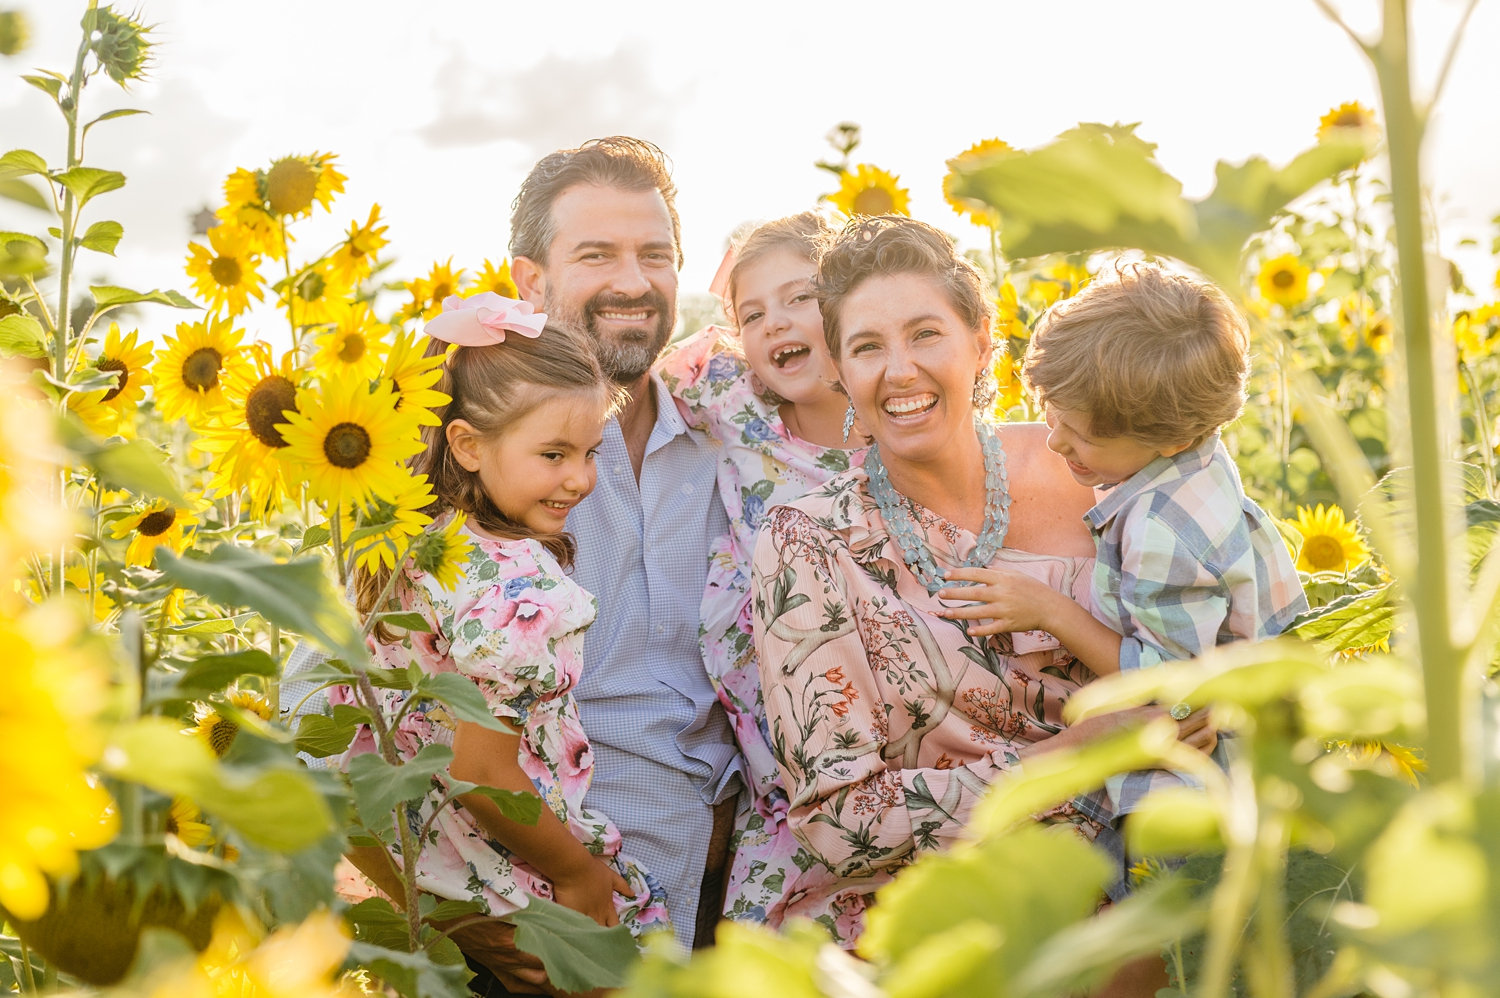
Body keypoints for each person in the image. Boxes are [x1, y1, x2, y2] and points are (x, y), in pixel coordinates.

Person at [749, 217, 1216, 968]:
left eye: (925, 333)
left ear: (981, 340)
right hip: (932, 918)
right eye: (867, 347)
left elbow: (1222, 625)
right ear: (838, 369)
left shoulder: (1101, 461)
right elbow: (838, 824)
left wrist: (1199, 713)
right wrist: (1080, 752)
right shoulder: (807, 542)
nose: (898, 370)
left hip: (1149, 875)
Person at [335, 137, 740, 995]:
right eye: (597, 254)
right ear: (529, 281)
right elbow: (334, 701)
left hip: (719, 879)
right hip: (534, 901)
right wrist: (457, 917)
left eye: (655, 255)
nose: (633, 280)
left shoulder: (730, 430)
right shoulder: (443, 481)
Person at [333, 295, 670, 940]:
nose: (581, 479)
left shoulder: (405, 543)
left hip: (427, 868)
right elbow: (482, 770)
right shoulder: (519, 584)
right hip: (523, 874)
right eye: (553, 455)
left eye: (592, 452)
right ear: (465, 445)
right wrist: (577, 874)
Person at [934, 261, 1306, 813]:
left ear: (1169, 437)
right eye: (1049, 414)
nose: (1054, 443)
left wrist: (1050, 610)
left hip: (1194, 793)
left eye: (1081, 437)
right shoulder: (1195, 461)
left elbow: (1169, 688)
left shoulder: (1160, 527)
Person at [656, 212, 865, 923]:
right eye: (754, 312)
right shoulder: (733, 403)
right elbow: (632, 382)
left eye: (800, 297)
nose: (776, 322)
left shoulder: (898, 425)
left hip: (874, 730)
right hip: (775, 766)